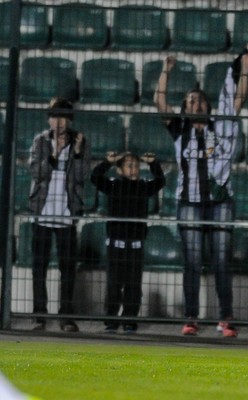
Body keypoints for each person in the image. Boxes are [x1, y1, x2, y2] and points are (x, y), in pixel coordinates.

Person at [154, 43, 248, 337]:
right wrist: (165, 71)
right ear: (184, 108)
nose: (196, 104)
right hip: (188, 202)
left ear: (208, 105)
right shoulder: (179, 128)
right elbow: (159, 103)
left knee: (222, 259)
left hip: (220, 201)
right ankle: (191, 318)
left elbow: (239, 96)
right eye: (190, 101)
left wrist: (246, 66)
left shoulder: (221, 124)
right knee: (193, 261)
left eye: (200, 100)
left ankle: (226, 318)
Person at [29, 97, 91, 332]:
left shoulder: (81, 143)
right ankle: (39, 316)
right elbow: (37, 172)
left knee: (67, 268)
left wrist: (75, 153)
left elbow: (82, 176)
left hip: (66, 214)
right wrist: (54, 154)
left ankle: (66, 317)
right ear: (49, 118)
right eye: (54, 116)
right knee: (39, 267)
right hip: (42, 213)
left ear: (69, 119)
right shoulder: (40, 141)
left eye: (63, 116)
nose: (59, 121)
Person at [91, 152, 165, 334]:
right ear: (120, 169)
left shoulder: (143, 187)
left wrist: (154, 163)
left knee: (133, 285)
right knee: (114, 284)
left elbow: (161, 181)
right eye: (129, 166)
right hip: (116, 245)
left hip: (135, 245)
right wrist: (107, 162)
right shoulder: (113, 185)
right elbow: (95, 177)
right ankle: (111, 319)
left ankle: (130, 320)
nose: (133, 169)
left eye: (136, 166)